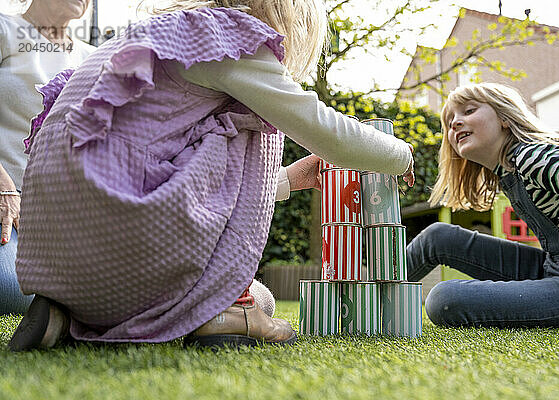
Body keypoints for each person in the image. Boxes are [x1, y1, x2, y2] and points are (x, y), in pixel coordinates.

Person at [8, 0, 414, 351]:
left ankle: (69, 315)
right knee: (254, 122)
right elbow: (322, 129)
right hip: (126, 245)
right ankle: (232, 308)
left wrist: (287, 180)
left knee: (265, 296)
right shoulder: (231, 40)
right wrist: (400, 154)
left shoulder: (145, 37)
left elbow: (150, 163)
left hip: (58, 258)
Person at [407, 82, 559, 329]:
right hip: (554, 266)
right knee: (438, 236)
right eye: (449, 121)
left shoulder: (534, 157)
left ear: (504, 118)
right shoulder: (508, 169)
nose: (455, 123)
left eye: (468, 111)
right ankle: (367, 297)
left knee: (444, 299)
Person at [0, 0, 95, 315]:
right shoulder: (5, 29)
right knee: (10, 289)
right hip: (5, 202)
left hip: (61, 217)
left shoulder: (94, 58)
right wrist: (3, 186)